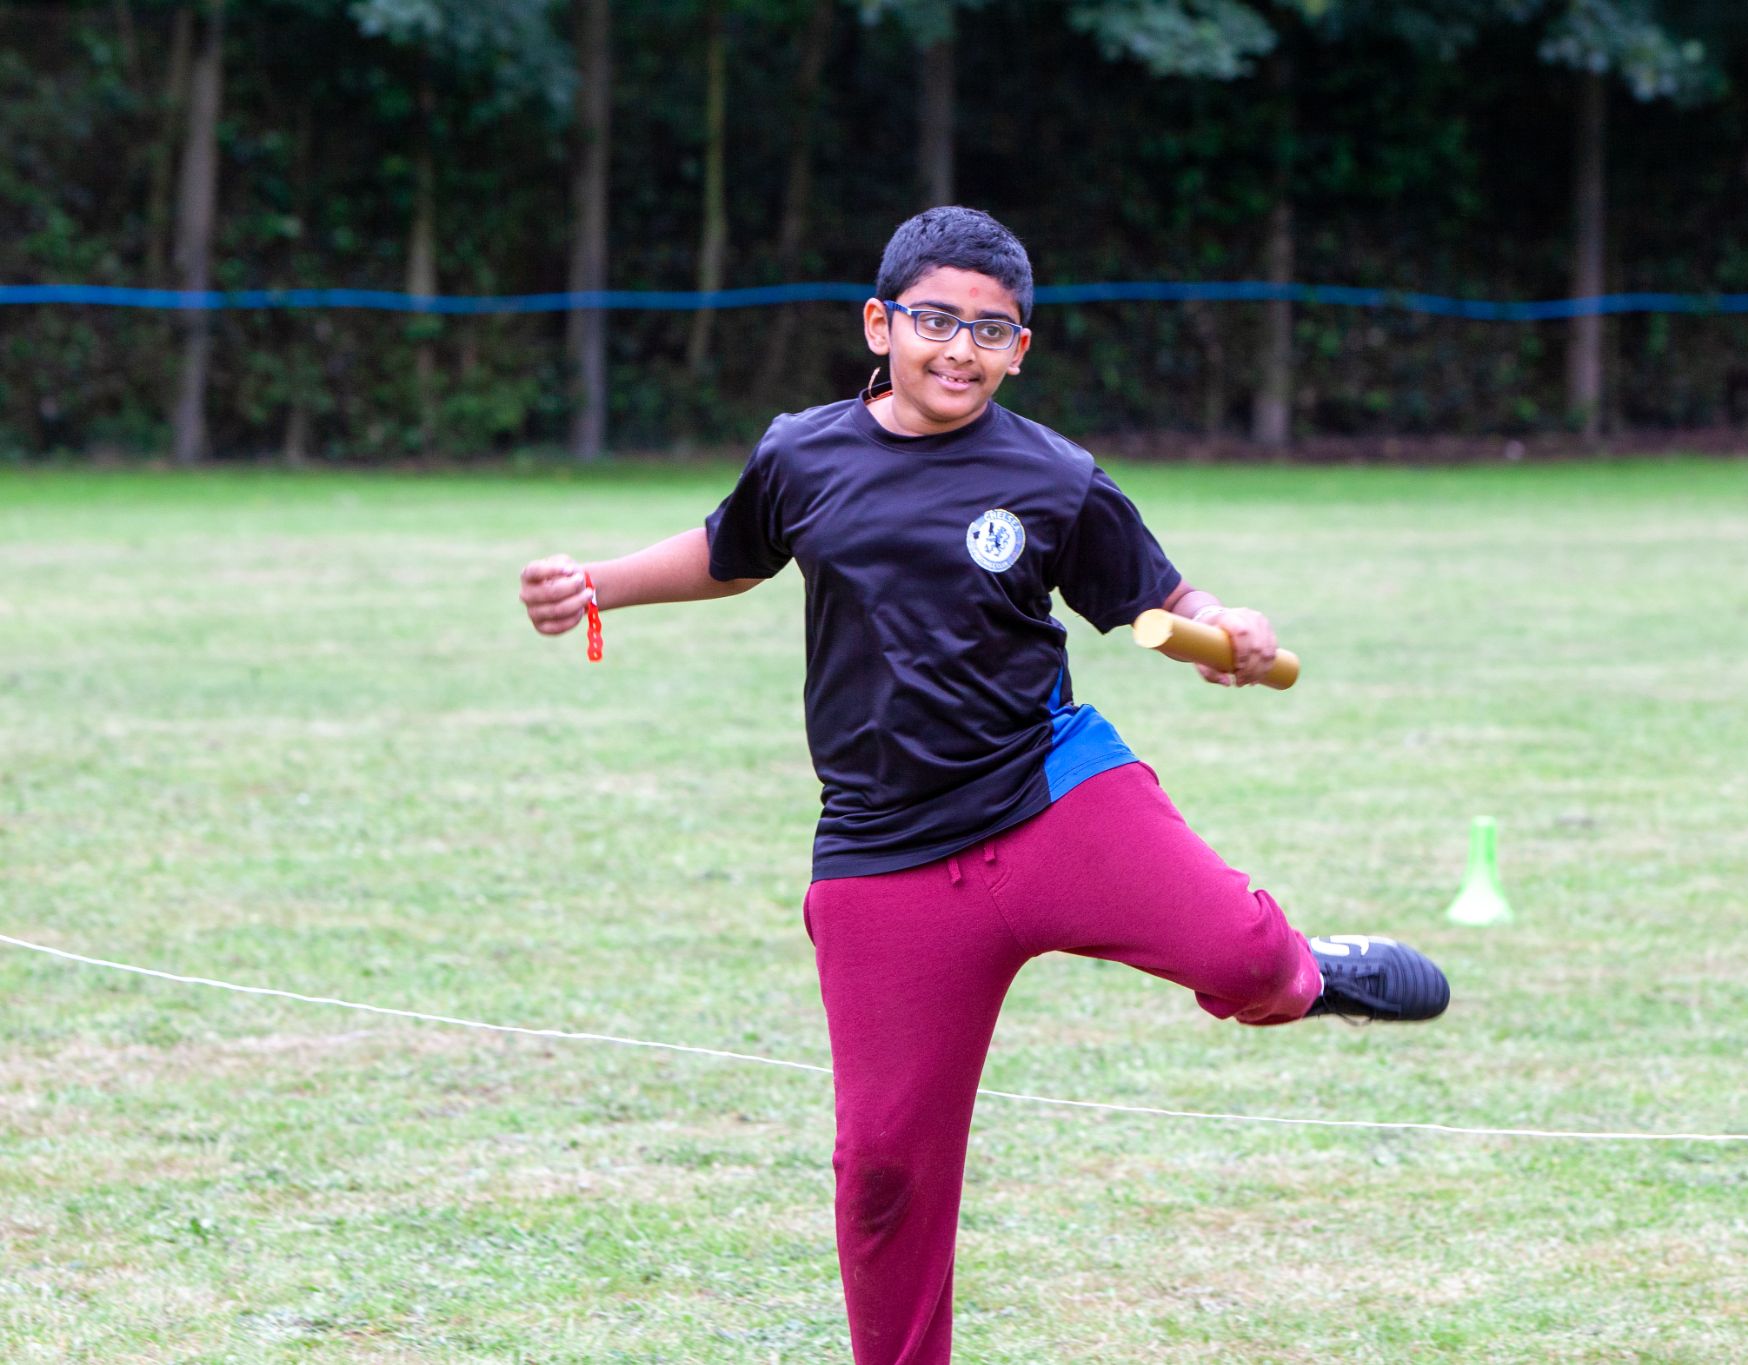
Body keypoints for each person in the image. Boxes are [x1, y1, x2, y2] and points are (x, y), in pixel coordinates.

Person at [518, 206, 1449, 1365]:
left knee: (1244, 961)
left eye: (988, 331)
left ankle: (1315, 973)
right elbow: (729, 551)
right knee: (883, 1174)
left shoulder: (1052, 476)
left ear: (1022, 349)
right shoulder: (801, 453)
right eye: (933, 322)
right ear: (879, 324)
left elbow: (1159, 603)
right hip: (884, 852)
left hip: (1051, 795)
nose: (957, 350)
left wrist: (1228, 631)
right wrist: (595, 584)